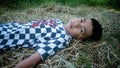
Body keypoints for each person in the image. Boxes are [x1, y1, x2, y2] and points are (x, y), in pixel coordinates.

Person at [0, 17, 102, 68]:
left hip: (8, 37)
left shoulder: (62, 38)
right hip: (10, 27)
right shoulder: (58, 21)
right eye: (81, 20)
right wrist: (20, 23)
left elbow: (37, 56)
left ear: (79, 40)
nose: (76, 24)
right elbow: (38, 24)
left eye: (81, 30)